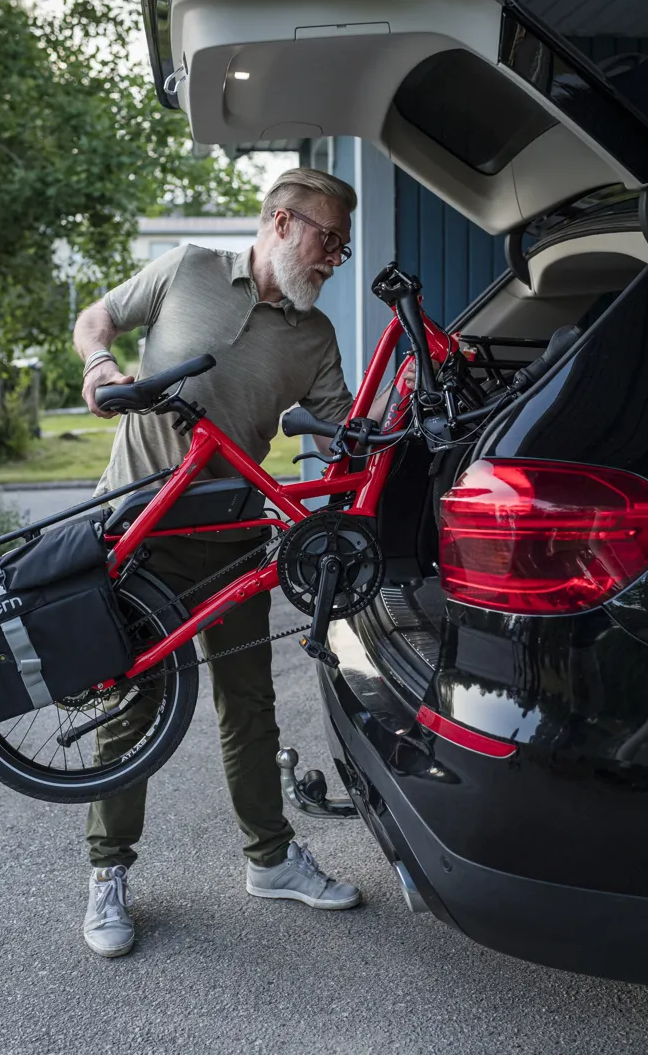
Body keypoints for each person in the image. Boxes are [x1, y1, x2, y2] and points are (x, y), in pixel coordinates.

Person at [73, 168, 398, 958]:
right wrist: (98, 367)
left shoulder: (315, 337)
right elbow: (98, 317)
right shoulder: (186, 269)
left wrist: (391, 425)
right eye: (328, 239)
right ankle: (108, 872)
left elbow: (340, 436)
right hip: (139, 531)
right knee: (133, 708)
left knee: (249, 707)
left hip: (232, 539)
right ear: (282, 223)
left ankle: (271, 858)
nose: (336, 258)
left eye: (344, 247)